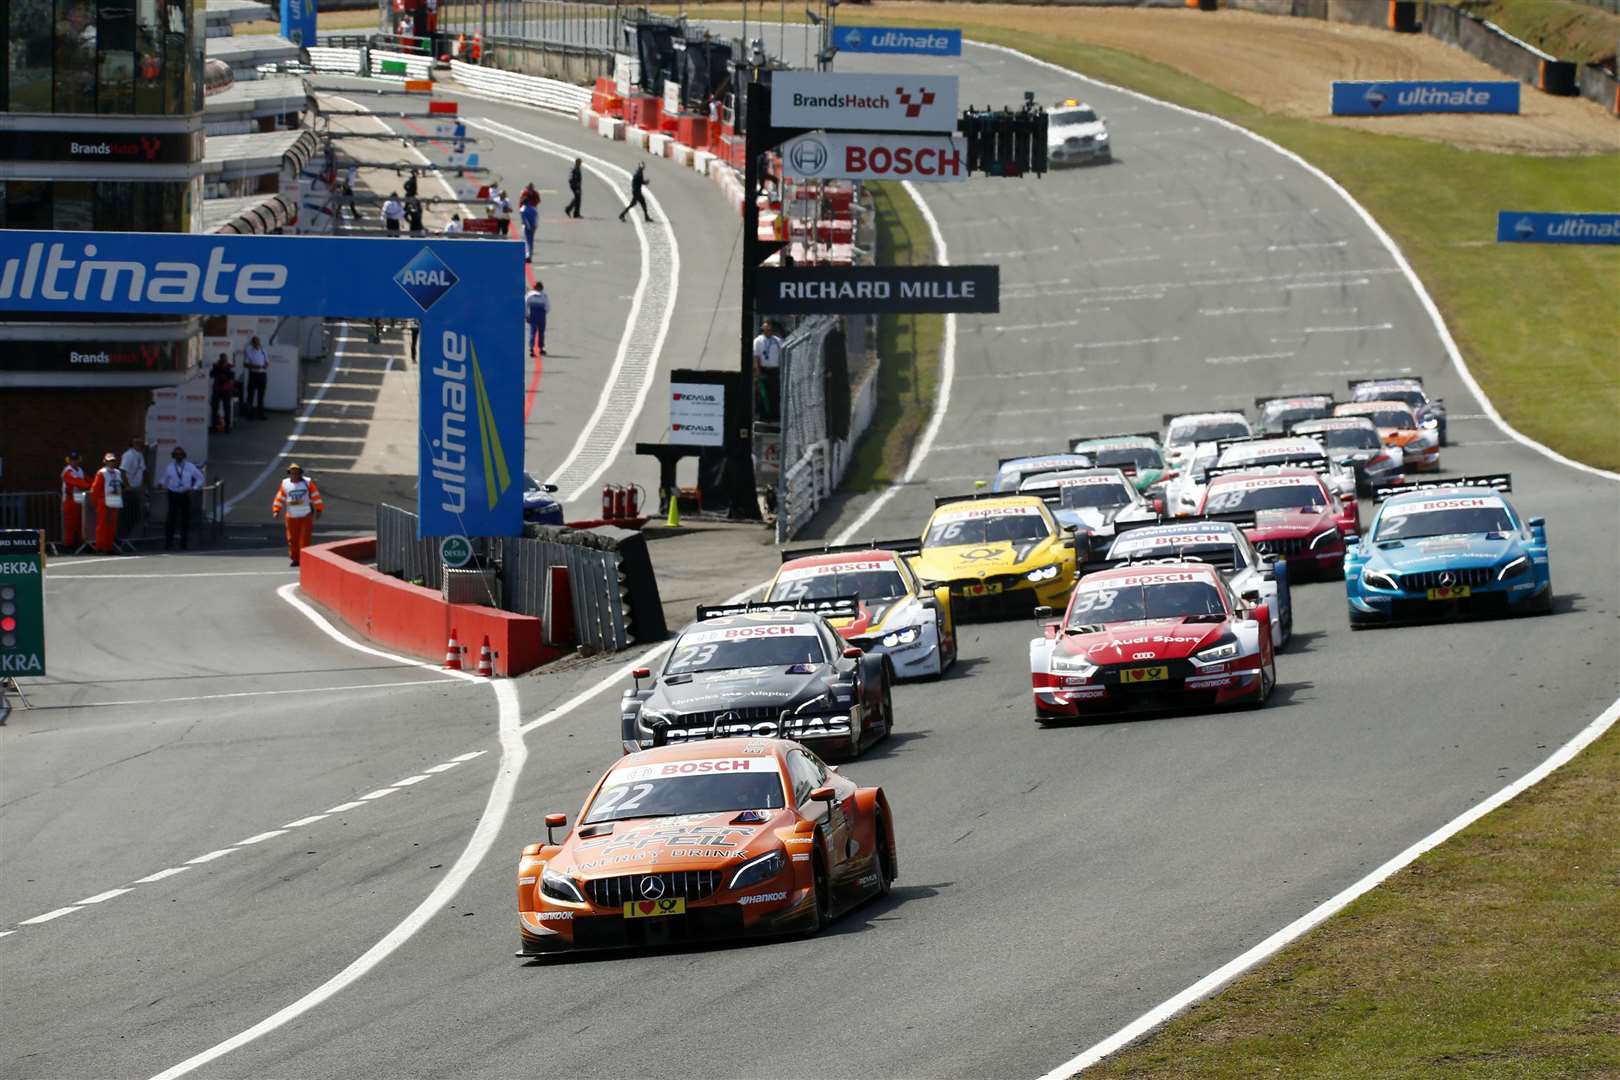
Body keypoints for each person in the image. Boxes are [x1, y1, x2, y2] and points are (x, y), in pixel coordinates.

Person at [272, 463, 324, 567]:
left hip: (306, 515)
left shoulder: (308, 483)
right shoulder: (285, 484)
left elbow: (315, 496)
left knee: (305, 538)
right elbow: (280, 497)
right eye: (292, 473)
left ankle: (304, 558)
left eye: (296, 473)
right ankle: (295, 558)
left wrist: (319, 509)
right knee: (292, 539)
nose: (294, 475)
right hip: (291, 516)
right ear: (289, 474)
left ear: (300, 474)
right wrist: (276, 510)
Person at [158, 446, 204, 550]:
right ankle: (168, 542)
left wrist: (194, 488)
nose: (178, 457)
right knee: (171, 519)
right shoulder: (170, 467)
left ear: (184, 456)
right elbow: (165, 478)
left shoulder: (190, 466)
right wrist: (161, 484)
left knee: (185, 519)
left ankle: (184, 543)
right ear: (173, 456)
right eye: (176, 455)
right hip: (173, 494)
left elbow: (200, 478)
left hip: (185, 494)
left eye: (180, 455)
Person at [89, 452, 125, 554]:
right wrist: (96, 501)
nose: (111, 463)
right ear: (105, 461)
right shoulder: (102, 473)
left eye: (113, 461)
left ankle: (108, 547)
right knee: (102, 524)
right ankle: (100, 547)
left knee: (112, 525)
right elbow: (95, 489)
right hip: (103, 501)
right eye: (109, 461)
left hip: (115, 501)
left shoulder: (118, 473)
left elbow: (120, 485)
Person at [60, 451, 92, 552]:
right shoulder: (67, 471)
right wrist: (88, 486)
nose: (74, 462)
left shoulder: (80, 470)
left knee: (81, 523)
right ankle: (68, 545)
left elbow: (88, 480)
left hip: (80, 500)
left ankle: (80, 544)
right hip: (70, 500)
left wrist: (94, 486)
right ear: (69, 461)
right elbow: (76, 482)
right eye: (72, 460)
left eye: (76, 459)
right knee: (70, 524)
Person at [752, 318, 783, 421]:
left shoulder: (778, 341)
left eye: (770, 328)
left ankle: (775, 416)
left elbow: (782, 356)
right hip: (763, 370)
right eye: (766, 328)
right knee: (762, 394)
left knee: (774, 393)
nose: (768, 330)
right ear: (763, 329)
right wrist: (757, 372)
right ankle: (763, 416)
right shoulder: (758, 341)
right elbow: (756, 357)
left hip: (775, 370)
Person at [118, 436, 147, 538]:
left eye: (140, 442)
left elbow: (142, 471)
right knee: (128, 515)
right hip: (129, 490)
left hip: (137, 489)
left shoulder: (140, 455)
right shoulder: (128, 455)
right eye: (136, 442)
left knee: (136, 515)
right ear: (132, 444)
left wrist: (143, 485)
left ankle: (125, 537)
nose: (139, 444)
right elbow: (123, 471)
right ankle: (121, 538)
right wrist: (127, 486)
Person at [209, 352, 236, 432]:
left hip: (226, 390)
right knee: (214, 409)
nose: (224, 360)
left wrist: (225, 377)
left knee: (227, 409)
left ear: (227, 359)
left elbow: (232, 378)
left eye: (225, 359)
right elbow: (211, 375)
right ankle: (214, 426)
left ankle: (227, 427)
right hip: (217, 389)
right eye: (222, 359)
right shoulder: (216, 366)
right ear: (220, 359)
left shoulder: (230, 367)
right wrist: (216, 368)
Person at [243, 336, 269, 419]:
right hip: (253, 374)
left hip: (262, 375)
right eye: (256, 342)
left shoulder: (263, 350)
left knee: (261, 395)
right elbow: (245, 364)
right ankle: (250, 414)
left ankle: (260, 414)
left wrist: (265, 365)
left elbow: (267, 362)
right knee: (250, 395)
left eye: (258, 342)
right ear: (253, 343)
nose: (257, 343)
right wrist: (255, 366)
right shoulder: (249, 351)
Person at [525, 281, 549, 357]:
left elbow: (525, 306)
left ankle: (531, 349)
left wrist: (527, 316)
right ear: (541, 288)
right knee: (541, 332)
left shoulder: (529, 295)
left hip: (533, 314)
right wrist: (544, 313)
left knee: (533, 332)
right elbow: (547, 307)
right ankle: (541, 348)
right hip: (541, 315)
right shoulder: (544, 296)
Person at [519, 195, 539, 262]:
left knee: (526, 241)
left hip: (526, 227)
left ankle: (527, 256)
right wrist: (535, 226)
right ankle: (530, 255)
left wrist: (528, 227)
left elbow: (525, 220)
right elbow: (536, 218)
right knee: (531, 241)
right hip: (533, 227)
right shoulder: (533, 209)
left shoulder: (523, 209)